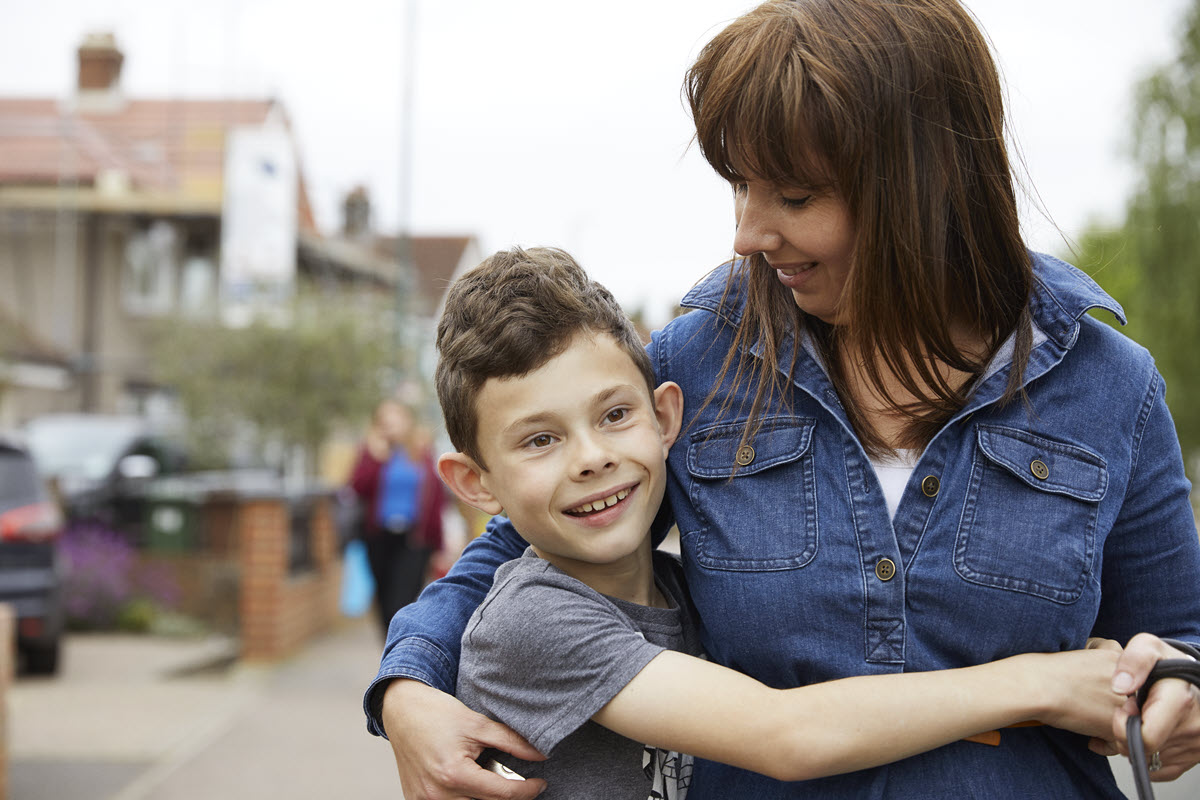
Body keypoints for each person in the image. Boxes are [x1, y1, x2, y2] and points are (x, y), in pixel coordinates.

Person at [363, 2, 1200, 798]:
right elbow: (527, 549)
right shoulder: (698, 362)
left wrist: (1180, 690)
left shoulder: (1109, 387)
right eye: (741, 186)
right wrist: (407, 683)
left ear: (926, 183)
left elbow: (1178, 634)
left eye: (794, 197)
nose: (749, 234)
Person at [427, 245, 1124, 798]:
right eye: (539, 440)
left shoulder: (681, 590)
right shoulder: (532, 621)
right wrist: (1045, 682)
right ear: (473, 482)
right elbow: (787, 735)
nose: (591, 458)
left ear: (667, 416)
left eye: (614, 415)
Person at [348, 399, 439, 638]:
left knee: (402, 602)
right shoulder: (373, 452)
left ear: (407, 421)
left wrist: (439, 543)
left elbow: (436, 498)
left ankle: (397, 655)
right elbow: (356, 488)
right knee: (383, 601)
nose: (390, 426)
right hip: (378, 537)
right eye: (384, 421)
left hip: (414, 539)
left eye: (395, 419)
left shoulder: (421, 452)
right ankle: (390, 655)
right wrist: (375, 458)